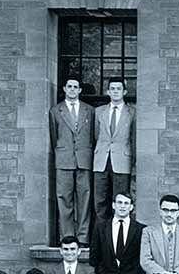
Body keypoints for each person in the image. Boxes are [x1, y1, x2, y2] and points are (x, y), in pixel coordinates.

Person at [50, 77, 95, 243]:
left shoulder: (89, 110)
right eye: (69, 86)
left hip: (84, 159)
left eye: (76, 87)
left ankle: (83, 237)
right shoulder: (56, 111)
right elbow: (54, 136)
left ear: (80, 90)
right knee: (64, 198)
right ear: (64, 88)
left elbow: (92, 135)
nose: (72, 90)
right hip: (64, 159)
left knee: (84, 197)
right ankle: (67, 236)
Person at [92, 77, 134, 224]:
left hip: (122, 161)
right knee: (100, 200)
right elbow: (96, 135)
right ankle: (101, 236)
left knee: (120, 200)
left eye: (119, 89)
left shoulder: (132, 112)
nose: (115, 92)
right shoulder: (98, 112)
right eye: (113, 89)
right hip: (101, 160)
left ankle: (116, 234)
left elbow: (132, 137)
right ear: (108, 91)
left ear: (124, 92)